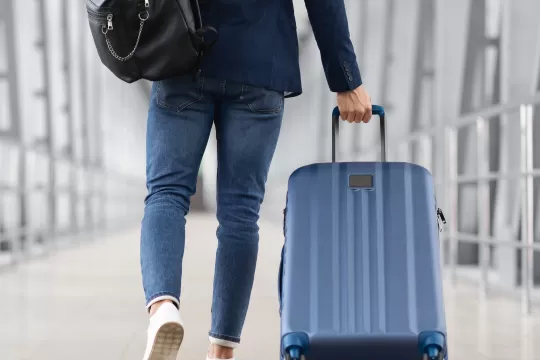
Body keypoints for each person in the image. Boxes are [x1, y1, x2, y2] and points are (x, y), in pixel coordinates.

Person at [140, 0, 372, 359]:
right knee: (240, 213)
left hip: (184, 54)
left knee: (167, 193)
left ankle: (163, 307)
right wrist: (346, 79)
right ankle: (222, 349)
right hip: (261, 60)